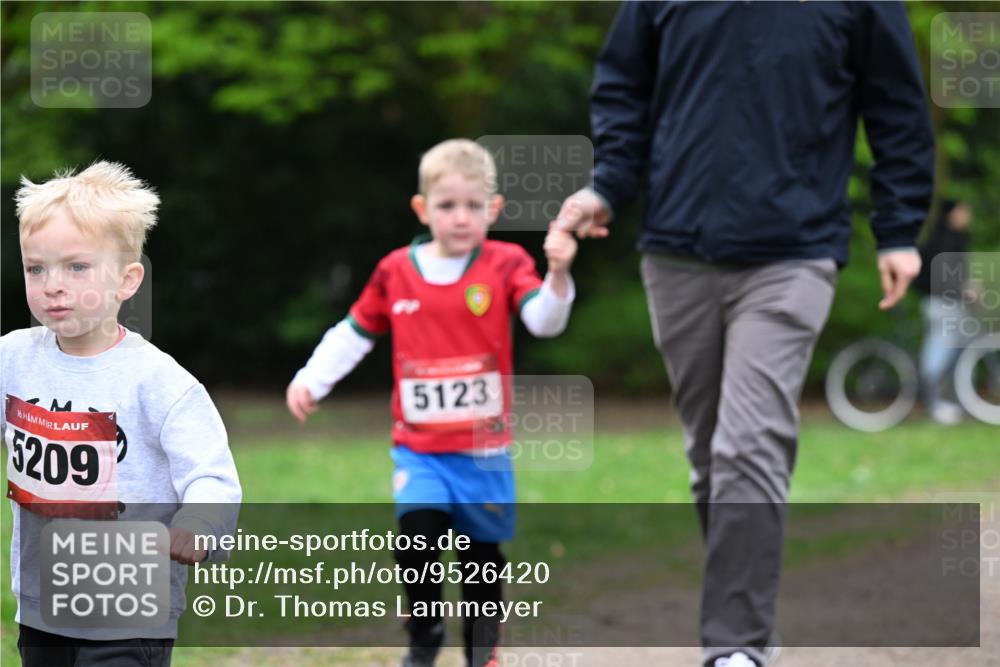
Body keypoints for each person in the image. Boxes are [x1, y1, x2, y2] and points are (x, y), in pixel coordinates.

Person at [556, 4, 934, 666]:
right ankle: (748, 620)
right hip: (676, 252)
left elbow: (898, 105)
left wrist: (898, 227)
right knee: (711, 456)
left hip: (794, 253)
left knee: (748, 443)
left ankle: (736, 646)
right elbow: (624, 85)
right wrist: (607, 187)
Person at [286, 139, 577, 667]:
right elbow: (355, 332)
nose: (460, 218)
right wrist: (312, 378)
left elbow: (544, 320)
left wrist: (558, 276)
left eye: (473, 206)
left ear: (494, 209)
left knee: (479, 560)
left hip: (484, 453)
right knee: (416, 541)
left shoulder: (506, 263)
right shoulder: (396, 270)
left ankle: (481, 654)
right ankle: (424, 640)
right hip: (419, 450)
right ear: (423, 209)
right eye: (447, 205)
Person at [2, 161, 243, 666]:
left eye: (77, 266)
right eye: (36, 268)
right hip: (41, 603)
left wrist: (198, 524)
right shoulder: (13, 359)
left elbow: (213, 477)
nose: (53, 285)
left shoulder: (159, 382)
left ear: (127, 280)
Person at [914, 200, 974, 424]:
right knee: (938, 356)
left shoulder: (945, 239)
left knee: (953, 352)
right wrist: (963, 287)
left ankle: (948, 402)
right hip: (943, 306)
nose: (968, 215)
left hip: (942, 304)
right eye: (964, 210)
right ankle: (935, 404)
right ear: (952, 214)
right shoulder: (946, 241)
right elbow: (945, 276)